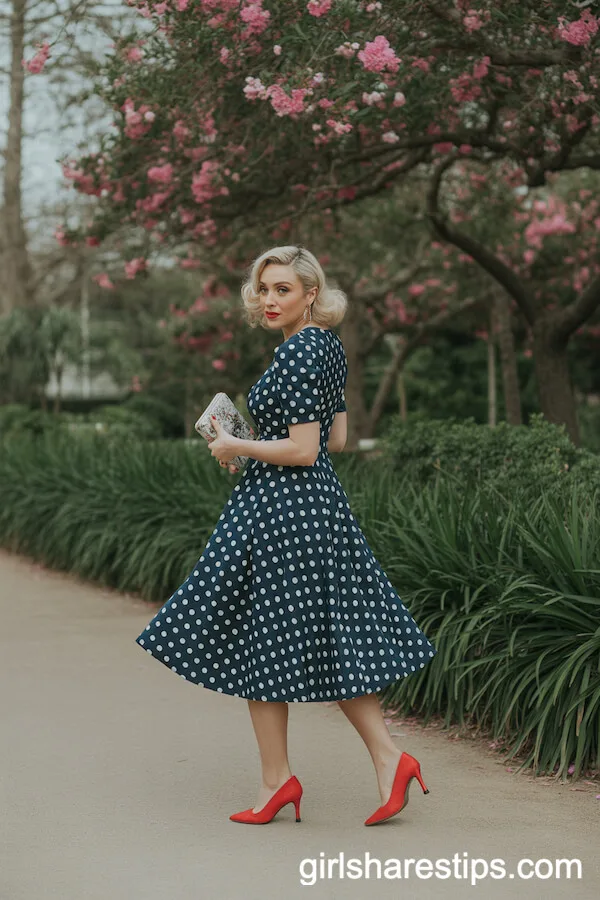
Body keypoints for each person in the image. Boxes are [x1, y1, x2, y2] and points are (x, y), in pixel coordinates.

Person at [135, 245, 437, 826]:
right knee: (318, 637)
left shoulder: (299, 351)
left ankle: (287, 779)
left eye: (283, 290)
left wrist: (236, 445)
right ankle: (380, 759)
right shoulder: (327, 347)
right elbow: (336, 440)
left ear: (311, 295)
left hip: (284, 514)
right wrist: (252, 449)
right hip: (314, 506)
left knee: (265, 640)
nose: (269, 300)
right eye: (264, 289)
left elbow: (301, 449)